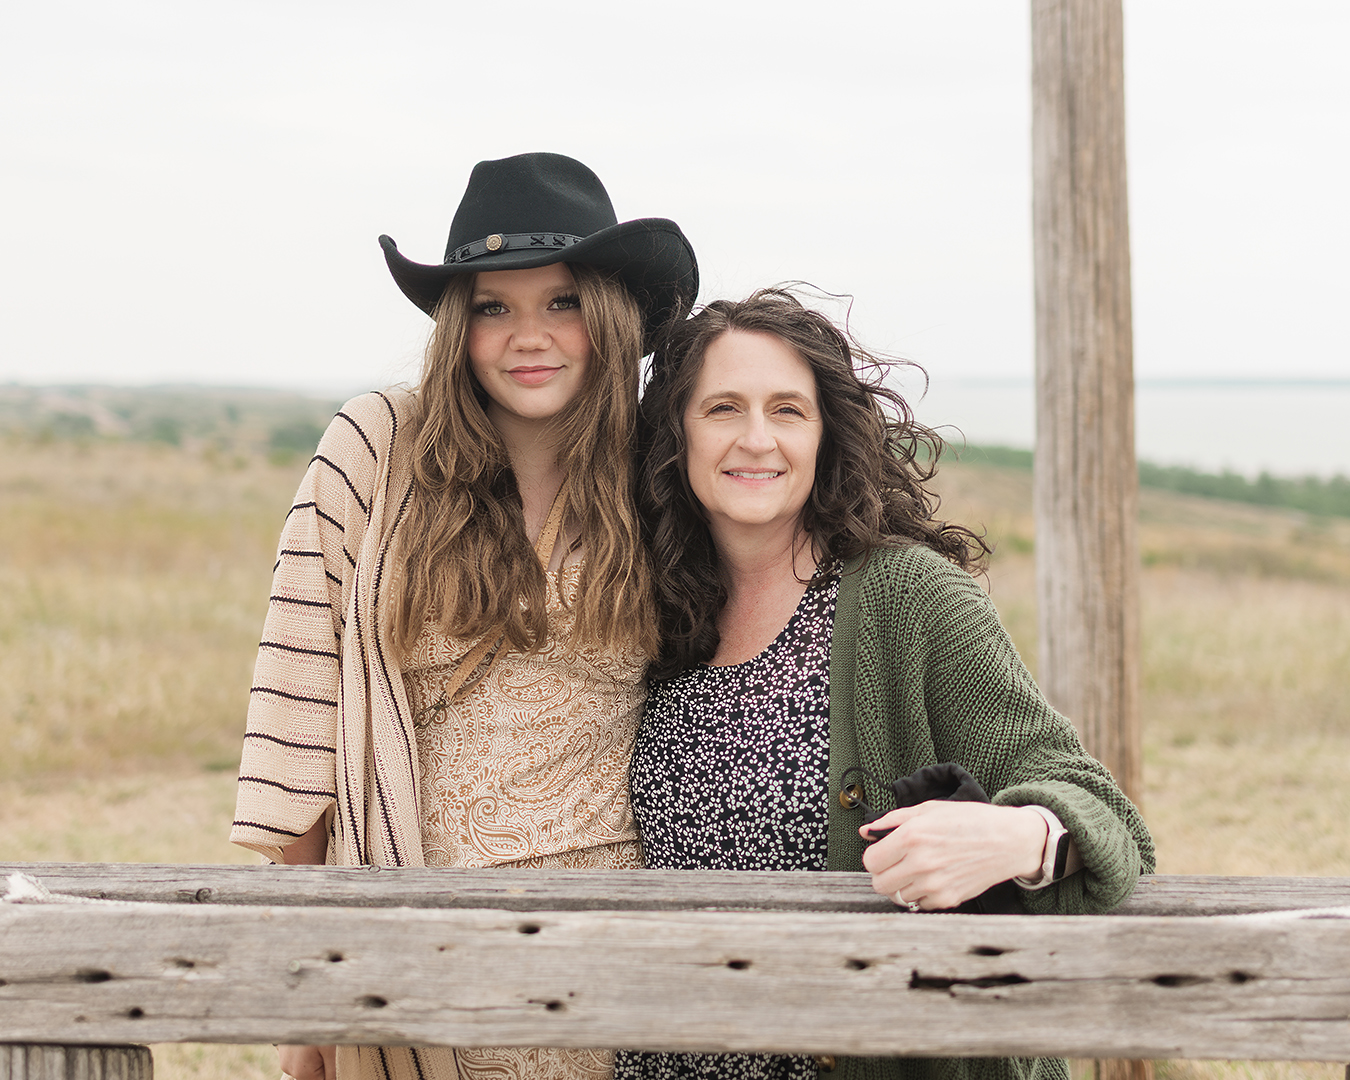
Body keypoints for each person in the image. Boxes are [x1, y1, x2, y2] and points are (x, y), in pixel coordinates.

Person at [230, 153, 698, 1080]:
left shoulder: (656, 472)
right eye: (494, 306)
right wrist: (307, 993)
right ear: (459, 325)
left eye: (561, 301)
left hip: (609, 946)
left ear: (606, 313)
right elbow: (295, 708)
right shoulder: (376, 446)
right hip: (404, 938)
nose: (530, 335)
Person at [618, 289, 1154, 1080]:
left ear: (826, 432)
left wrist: (1010, 837)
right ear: (676, 434)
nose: (756, 439)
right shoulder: (646, 608)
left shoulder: (909, 599)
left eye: (788, 410)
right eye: (723, 408)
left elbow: (1111, 820)